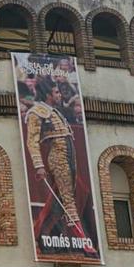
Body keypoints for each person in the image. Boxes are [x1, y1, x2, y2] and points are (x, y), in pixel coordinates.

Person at [24, 79, 94, 251]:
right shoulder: (36, 113)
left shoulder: (54, 111)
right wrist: (38, 165)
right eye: (56, 92)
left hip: (69, 157)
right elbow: (32, 141)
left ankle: (39, 232)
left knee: (60, 200)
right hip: (58, 158)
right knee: (68, 198)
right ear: (48, 95)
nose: (59, 95)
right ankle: (83, 242)